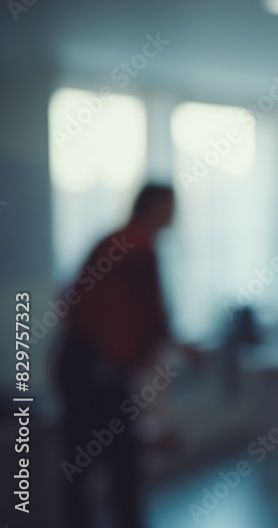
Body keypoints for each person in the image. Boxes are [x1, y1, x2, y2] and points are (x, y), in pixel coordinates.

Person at [54, 183, 190, 528]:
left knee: (87, 463)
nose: (174, 215)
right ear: (156, 207)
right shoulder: (137, 248)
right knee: (119, 463)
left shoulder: (116, 242)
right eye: (170, 207)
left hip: (82, 364)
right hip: (92, 367)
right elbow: (150, 320)